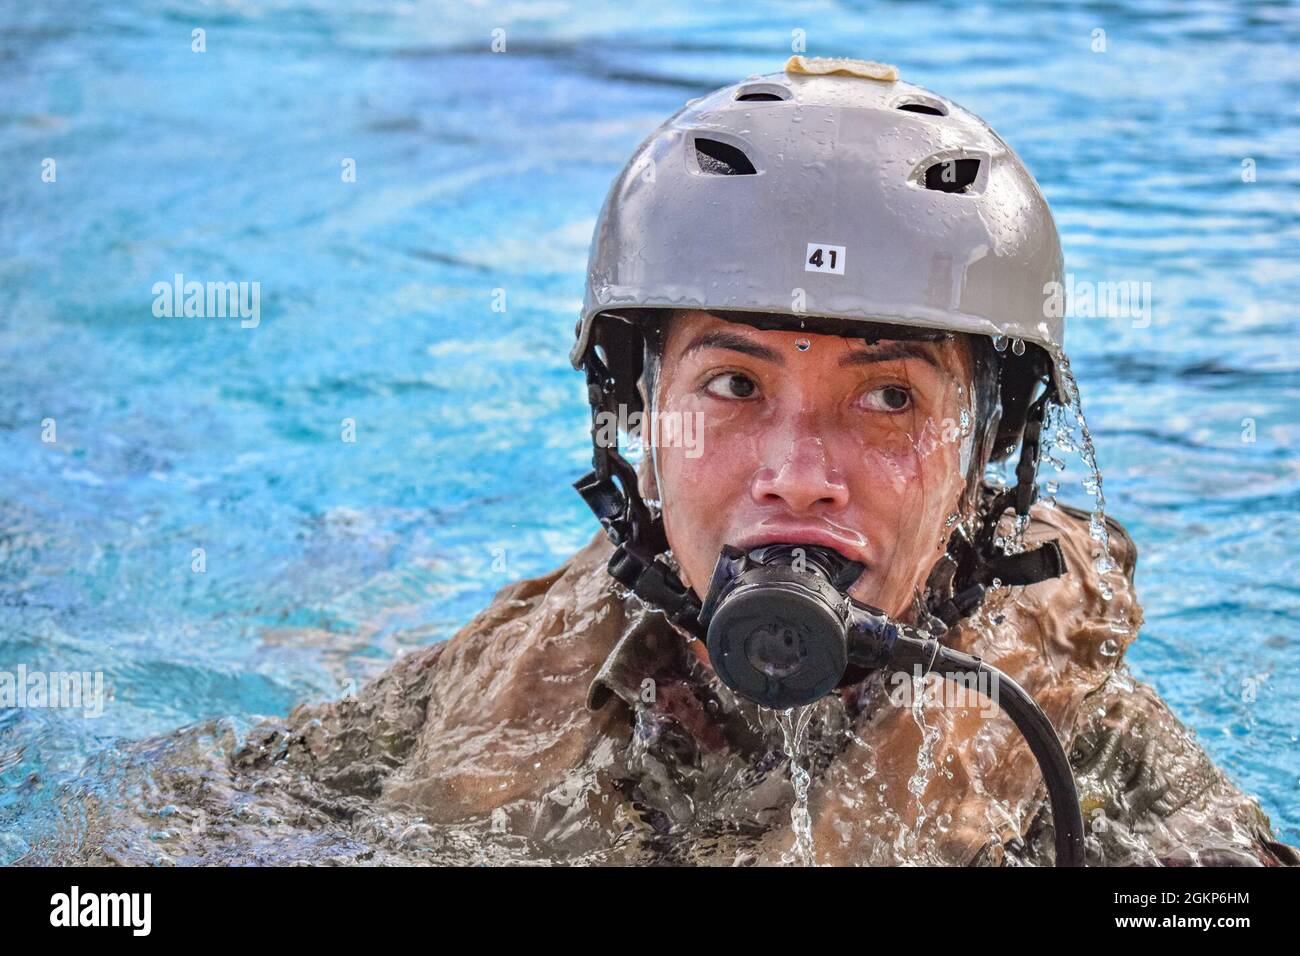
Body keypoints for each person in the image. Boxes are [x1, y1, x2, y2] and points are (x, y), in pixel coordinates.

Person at [45, 58, 1294, 867]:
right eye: (734, 385)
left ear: (984, 462)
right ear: (635, 424)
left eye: (890, 397)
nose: (798, 471)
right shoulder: (488, 684)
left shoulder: (1107, 775)